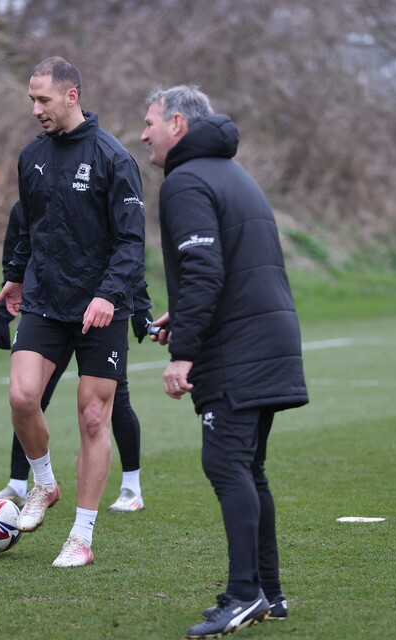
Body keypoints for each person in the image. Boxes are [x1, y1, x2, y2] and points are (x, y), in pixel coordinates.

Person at [140, 85, 308, 637]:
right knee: (248, 468)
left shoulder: (186, 180)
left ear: (178, 126)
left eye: (150, 123)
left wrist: (182, 354)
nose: (143, 134)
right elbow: (221, 271)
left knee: (226, 465)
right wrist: (181, 317)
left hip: (240, 348)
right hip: (265, 336)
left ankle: (242, 595)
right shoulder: (232, 173)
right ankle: (269, 594)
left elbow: (205, 272)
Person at [0, 57, 147, 568]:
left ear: (71, 95)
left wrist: (108, 294)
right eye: (31, 100)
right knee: (21, 396)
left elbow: (130, 240)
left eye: (44, 100)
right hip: (44, 299)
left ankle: (81, 536)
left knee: (92, 416)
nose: (36, 109)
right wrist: (15, 275)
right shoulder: (31, 156)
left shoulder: (113, 157)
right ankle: (44, 484)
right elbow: (27, 226)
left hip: (101, 308)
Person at [0, 201, 152, 514]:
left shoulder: (101, 190)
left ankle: (131, 487)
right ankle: (20, 483)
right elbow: (15, 257)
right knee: (28, 400)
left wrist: (140, 307)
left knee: (110, 404)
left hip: (100, 312)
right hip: (47, 312)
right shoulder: (25, 204)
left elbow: (129, 251)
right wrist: (1, 315)